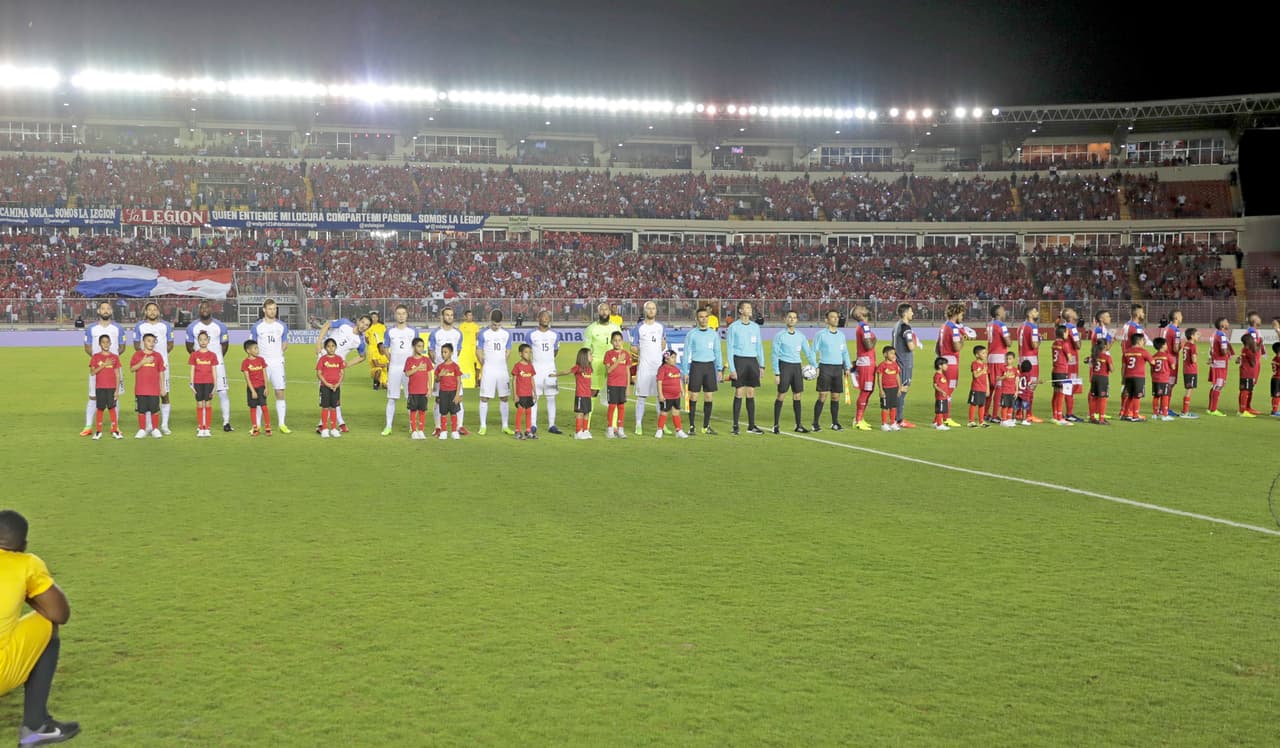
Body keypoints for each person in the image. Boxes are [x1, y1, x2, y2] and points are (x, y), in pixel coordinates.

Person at [0, 510, 79, 746]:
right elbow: (59, 613)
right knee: (47, 624)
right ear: (23, 545)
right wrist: (28, 593)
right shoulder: (26, 564)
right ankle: (36, 726)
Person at [314, 315, 371, 434]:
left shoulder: (360, 341)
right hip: (324, 359)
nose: (363, 326)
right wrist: (319, 342)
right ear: (358, 320)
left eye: (366, 325)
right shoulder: (344, 323)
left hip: (336, 366)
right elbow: (328, 324)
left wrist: (347, 364)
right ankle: (337, 423)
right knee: (326, 392)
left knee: (332, 393)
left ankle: (328, 424)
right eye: (363, 322)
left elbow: (362, 357)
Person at [187, 300, 234, 433]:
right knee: (202, 396)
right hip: (201, 368)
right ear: (199, 310)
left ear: (211, 309)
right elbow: (189, 345)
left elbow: (225, 345)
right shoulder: (192, 327)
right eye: (202, 308)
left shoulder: (220, 326)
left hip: (217, 365)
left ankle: (226, 422)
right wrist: (200, 359)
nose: (205, 310)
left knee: (223, 393)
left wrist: (216, 359)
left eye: (207, 307)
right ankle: (202, 425)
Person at [80, 301, 125, 437]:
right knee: (93, 396)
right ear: (98, 311)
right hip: (97, 369)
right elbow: (87, 347)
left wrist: (112, 360)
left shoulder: (118, 329)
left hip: (114, 369)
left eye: (108, 308)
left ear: (111, 311)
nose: (105, 311)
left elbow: (122, 347)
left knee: (115, 397)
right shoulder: (91, 329)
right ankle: (88, 426)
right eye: (103, 308)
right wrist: (98, 360)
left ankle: (115, 426)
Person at [132, 301, 174, 434]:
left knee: (164, 394)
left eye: (154, 309)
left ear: (158, 312)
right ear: (145, 312)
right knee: (147, 395)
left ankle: (165, 425)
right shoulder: (139, 326)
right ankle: (149, 425)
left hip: (162, 367)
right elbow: (136, 346)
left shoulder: (166, 326)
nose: (152, 312)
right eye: (149, 309)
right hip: (145, 367)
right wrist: (145, 360)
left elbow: (170, 344)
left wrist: (158, 359)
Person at [250, 299, 291, 433]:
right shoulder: (257, 327)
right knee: (260, 394)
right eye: (270, 309)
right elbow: (252, 345)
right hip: (262, 364)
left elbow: (285, 343)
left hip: (277, 363)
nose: (272, 311)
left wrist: (279, 352)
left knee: (279, 392)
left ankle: (282, 424)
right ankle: (257, 426)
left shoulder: (282, 326)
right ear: (264, 310)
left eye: (274, 309)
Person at [725, 301, 765, 435]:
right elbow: (729, 349)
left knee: (751, 392)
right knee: (739, 392)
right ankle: (735, 426)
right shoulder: (733, 327)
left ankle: (751, 426)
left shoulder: (755, 327)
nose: (750, 309)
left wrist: (762, 365)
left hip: (752, 361)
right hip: (739, 360)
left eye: (750, 307)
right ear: (741, 311)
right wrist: (732, 368)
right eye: (747, 307)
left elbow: (759, 346)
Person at [772, 310, 815, 434]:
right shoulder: (780, 335)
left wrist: (815, 365)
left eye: (794, 317)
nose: (792, 319)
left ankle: (798, 425)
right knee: (781, 395)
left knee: (797, 395)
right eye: (789, 317)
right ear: (785, 319)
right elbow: (774, 354)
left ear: (797, 320)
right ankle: (775, 425)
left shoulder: (801, 336)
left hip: (797, 367)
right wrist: (777, 373)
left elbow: (808, 352)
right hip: (784, 366)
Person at [681, 308, 723, 435]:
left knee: (709, 396)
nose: (704, 319)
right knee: (693, 396)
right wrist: (685, 371)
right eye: (701, 317)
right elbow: (686, 352)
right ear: (697, 319)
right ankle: (692, 426)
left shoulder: (713, 334)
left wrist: (720, 368)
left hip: (709, 366)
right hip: (696, 366)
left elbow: (718, 352)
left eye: (706, 317)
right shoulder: (691, 334)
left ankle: (706, 426)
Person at [378, 305, 418, 436]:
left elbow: (417, 349)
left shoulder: (413, 331)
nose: (401, 316)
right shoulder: (390, 332)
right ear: (395, 315)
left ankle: (413, 426)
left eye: (403, 313)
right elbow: (385, 348)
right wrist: (392, 359)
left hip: (409, 370)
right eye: (399, 313)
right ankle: (388, 426)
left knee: (410, 398)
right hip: (394, 368)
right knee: (391, 398)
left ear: (407, 315)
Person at [429, 307, 469, 435]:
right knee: (438, 399)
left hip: (453, 372)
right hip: (440, 372)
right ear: (442, 316)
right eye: (447, 315)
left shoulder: (458, 334)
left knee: (458, 397)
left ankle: (459, 426)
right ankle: (438, 427)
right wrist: (439, 365)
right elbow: (431, 351)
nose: (449, 317)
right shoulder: (435, 333)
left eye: (451, 315)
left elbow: (458, 350)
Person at [476, 309, 513, 436]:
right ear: (490, 321)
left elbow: (508, 350)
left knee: (504, 397)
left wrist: (502, 362)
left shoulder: (507, 334)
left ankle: (505, 426)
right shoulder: (483, 333)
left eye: (498, 325)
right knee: (484, 397)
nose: (496, 327)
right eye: (494, 325)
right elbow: (479, 350)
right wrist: (484, 364)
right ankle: (483, 426)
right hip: (488, 369)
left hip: (502, 370)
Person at [632, 301, 667, 435]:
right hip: (644, 368)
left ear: (656, 311)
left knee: (660, 397)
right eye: (649, 309)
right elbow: (633, 346)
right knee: (642, 397)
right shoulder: (639, 328)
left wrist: (656, 351)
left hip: (658, 368)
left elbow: (663, 344)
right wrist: (643, 353)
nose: (651, 311)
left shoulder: (660, 327)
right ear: (645, 310)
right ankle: (638, 425)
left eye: (653, 309)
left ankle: (661, 426)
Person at [528, 310, 562, 435]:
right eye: (543, 317)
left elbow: (555, 351)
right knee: (534, 397)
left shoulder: (555, 334)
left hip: (550, 369)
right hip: (536, 369)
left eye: (547, 317)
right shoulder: (531, 334)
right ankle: (533, 425)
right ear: (538, 318)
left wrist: (548, 361)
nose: (545, 319)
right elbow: (527, 350)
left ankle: (551, 425)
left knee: (551, 397)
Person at [935, 303, 969, 428]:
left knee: (943, 389)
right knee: (949, 390)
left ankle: (937, 418)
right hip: (952, 362)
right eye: (961, 314)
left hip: (943, 359)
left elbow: (937, 346)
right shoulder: (954, 328)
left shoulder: (943, 326)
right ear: (956, 314)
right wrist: (962, 339)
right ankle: (947, 418)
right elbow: (956, 347)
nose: (962, 316)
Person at [585, 302, 622, 408]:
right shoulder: (591, 328)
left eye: (606, 309)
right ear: (598, 312)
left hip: (613, 364)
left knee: (613, 395)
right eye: (602, 310)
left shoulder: (615, 327)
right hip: (596, 364)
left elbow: (620, 347)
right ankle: (587, 423)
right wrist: (588, 364)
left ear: (609, 312)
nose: (604, 312)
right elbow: (586, 349)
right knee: (593, 392)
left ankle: (613, 424)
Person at [129, 333, 166, 439]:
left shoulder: (158, 356)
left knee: (155, 409)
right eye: (148, 341)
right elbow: (132, 369)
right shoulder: (137, 355)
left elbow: (161, 372)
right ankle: (142, 429)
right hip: (141, 389)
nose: (151, 343)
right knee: (141, 410)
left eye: (153, 341)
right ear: (143, 342)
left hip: (154, 389)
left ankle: (155, 429)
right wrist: (143, 362)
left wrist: (162, 388)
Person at [890, 303, 920, 429]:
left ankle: (894, 418)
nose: (912, 313)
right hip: (904, 364)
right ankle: (898, 419)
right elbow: (911, 346)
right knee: (902, 391)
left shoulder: (896, 325)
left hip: (898, 361)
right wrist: (915, 342)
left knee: (899, 390)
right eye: (911, 311)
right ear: (905, 313)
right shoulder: (906, 327)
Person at [88, 334, 122, 440]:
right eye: (103, 342)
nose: (105, 344)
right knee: (100, 408)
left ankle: (115, 430)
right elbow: (93, 372)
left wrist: (117, 390)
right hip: (100, 387)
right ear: (99, 344)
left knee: (112, 408)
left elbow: (117, 374)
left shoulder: (115, 357)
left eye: (107, 342)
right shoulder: (96, 357)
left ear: (110, 343)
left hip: (112, 388)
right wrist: (104, 364)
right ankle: (98, 431)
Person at [849, 304, 877, 431]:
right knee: (866, 390)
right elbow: (869, 345)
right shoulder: (864, 326)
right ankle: (858, 420)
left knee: (868, 390)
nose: (865, 308)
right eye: (861, 308)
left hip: (866, 362)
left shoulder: (861, 327)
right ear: (859, 314)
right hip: (866, 363)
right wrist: (875, 339)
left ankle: (860, 418)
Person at [188, 330, 220, 437]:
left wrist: (215, 384)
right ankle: (201, 427)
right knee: (199, 403)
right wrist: (191, 383)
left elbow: (214, 370)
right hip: (198, 383)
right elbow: (192, 369)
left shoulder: (212, 355)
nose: (203, 341)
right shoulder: (194, 355)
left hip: (209, 382)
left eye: (205, 339)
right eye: (200, 339)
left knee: (208, 403)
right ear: (198, 341)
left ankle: (207, 427)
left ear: (208, 340)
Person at [558, 348, 594, 439]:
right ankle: (578, 432)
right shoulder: (578, 367)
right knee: (580, 413)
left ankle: (585, 430)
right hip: (580, 395)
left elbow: (589, 381)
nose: (592, 356)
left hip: (587, 395)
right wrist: (556, 374)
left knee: (587, 413)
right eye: (590, 355)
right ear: (584, 357)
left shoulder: (589, 368)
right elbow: (567, 371)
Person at [403, 337, 435, 440]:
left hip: (423, 391)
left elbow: (430, 374)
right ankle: (413, 431)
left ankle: (421, 430)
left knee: (422, 411)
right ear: (413, 347)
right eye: (418, 346)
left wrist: (430, 388)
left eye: (422, 346)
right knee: (413, 411)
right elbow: (407, 373)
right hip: (413, 390)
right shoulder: (409, 360)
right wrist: (417, 368)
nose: (421, 348)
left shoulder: (426, 359)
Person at [985, 304, 1012, 422]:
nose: (1005, 312)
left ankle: (985, 413)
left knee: (990, 388)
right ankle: (995, 415)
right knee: (999, 388)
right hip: (1000, 358)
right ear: (998, 314)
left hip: (990, 358)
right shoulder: (1002, 325)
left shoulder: (990, 325)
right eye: (1003, 310)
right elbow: (1008, 342)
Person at [1017, 307, 1044, 423]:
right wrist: (1040, 339)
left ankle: (1018, 412)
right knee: (1030, 387)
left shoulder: (1020, 326)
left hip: (1021, 358)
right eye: (1034, 311)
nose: (1037, 313)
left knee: (1022, 386)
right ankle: (1028, 414)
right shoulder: (1033, 327)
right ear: (1029, 314)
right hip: (1031, 360)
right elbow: (1034, 345)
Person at [315, 337, 346, 438]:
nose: (331, 348)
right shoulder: (323, 359)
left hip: (336, 387)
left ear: (336, 347)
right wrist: (327, 384)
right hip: (325, 387)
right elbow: (319, 373)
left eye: (333, 346)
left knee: (334, 407)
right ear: (325, 348)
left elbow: (342, 373)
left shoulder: (339, 359)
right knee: (325, 407)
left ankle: (333, 428)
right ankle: (324, 429)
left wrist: (338, 384)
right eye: (328, 346)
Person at [240, 339, 271, 436]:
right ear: (248, 351)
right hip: (252, 389)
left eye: (257, 348)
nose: (258, 350)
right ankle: (255, 428)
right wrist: (252, 391)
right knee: (253, 408)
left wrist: (266, 387)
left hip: (261, 387)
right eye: (255, 348)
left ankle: (268, 427)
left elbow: (265, 374)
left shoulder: (261, 360)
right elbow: (247, 378)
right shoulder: (245, 362)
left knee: (264, 407)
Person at [1120, 332, 1153, 422]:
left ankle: (1125, 414)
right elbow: (1153, 362)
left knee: (1129, 396)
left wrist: (1123, 378)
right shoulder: (1143, 351)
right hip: (1139, 377)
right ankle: (1135, 415)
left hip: (1128, 376)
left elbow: (1123, 367)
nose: (1144, 342)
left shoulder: (1126, 352)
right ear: (1139, 342)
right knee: (1137, 396)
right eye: (1143, 340)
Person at [654, 350, 688, 438]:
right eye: (672, 357)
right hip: (666, 396)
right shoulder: (662, 369)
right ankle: (659, 429)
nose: (674, 359)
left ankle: (678, 430)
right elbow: (659, 382)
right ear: (666, 359)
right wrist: (660, 394)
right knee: (664, 412)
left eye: (675, 357)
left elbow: (679, 380)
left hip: (676, 396)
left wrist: (682, 390)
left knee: (676, 412)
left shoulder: (676, 369)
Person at [604, 331, 631, 438]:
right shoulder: (609, 354)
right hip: (612, 384)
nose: (617, 343)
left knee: (621, 407)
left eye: (619, 340)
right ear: (611, 342)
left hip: (623, 385)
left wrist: (628, 386)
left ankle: (620, 429)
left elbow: (628, 371)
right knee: (611, 406)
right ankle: (610, 429)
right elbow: (609, 371)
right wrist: (619, 360)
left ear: (622, 341)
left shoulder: (626, 354)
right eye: (615, 340)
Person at [1060, 307, 1084, 422]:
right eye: (1073, 311)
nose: (1076, 312)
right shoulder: (1072, 328)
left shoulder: (1063, 327)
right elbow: (1078, 345)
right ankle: (1069, 413)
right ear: (1070, 316)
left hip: (1064, 360)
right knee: (1070, 386)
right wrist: (1080, 337)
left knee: (1066, 385)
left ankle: (1062, 412)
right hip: (1072, 361)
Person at [434, 343, 463, 440]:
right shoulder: (440, 367)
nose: (443, 354)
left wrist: (457, 394)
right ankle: (443, 431)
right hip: (443, 392)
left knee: (454, 412)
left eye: (445, 352)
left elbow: (459, 381)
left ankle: (454, 431)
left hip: (453, 392)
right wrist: (440, 375)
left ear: (451, 353)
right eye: (442, 352)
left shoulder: (455, 366)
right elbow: (436, 380)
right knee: (443, 412)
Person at [1206, 317, 1233, 417]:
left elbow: (1211, 349)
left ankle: (1210, 408)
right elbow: (1223, 350)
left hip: (1215, 362)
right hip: (1220, 363)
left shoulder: (1214, 333)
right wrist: (1228, 353)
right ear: (1222, 325)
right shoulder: (1221, 335)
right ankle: (1213, 410)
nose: (1228, 323)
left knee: (1214, 385)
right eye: (1226, 322)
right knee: (1219, 385)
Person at [511, 343, 537, 440]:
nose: (528, 354)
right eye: (526, 352)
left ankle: (528, 431)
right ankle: (517, 431)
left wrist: (534, 392)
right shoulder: (517, 366)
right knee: (520, 411)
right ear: (520, 354)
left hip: (528, 393)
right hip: (520, 393)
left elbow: (532, 379)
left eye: (530, 352)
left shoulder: (530, 366)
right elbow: (513, 380)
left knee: (529, 412)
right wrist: (515, 394)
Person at [1049, 325, 1073, 426]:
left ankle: (1055, 415)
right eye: (1067, 332)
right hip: (1062, 371)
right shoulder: (1065, 344)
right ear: (1063, 333)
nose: (1068, 334)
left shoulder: (1054, 343)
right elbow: (1070, 358)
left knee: (1055, 393)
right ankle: (1059, 417)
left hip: (1055, 371)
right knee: (1061, 394)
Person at [1162, 309, 1184, 417]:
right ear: (1176, 318)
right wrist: (1181, 345)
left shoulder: (1166, 328)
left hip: (1164, 358)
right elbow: (1175, 349)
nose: (1182, 317)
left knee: (1166, 382)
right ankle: (1165, 408)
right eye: (1180, 315)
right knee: (1170, 384)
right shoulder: (1176, 331)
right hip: (1172, 360)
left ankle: (1162, 407)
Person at [1088, 337, 1113, 425]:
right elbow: (1111, 369)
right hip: (1103, 378)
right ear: (1105, 346)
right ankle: (1101, 419)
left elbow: (1090, 366)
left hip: (1094, 377)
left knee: (1093, 397)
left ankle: (1092, 417)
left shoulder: (1093, 355)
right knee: (1102, 398)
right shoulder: (1107, 356)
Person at [875, 346, 901, 431]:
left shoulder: (895, 365)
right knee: (885, 407)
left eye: (894, 353)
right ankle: (884, 424)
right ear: (885, 354)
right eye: (891, 353)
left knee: (893, 406)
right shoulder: (882, 365)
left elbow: (897, 376)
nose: (893, 355)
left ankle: (893, 423)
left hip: (894, 388)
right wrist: (881, 390)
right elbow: (879, 378)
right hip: (886, 389)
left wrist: (899, 388)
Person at [457, 309, 482, 397]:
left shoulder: (475, 326)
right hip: (465, 350)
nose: (470, 317)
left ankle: (477, 381)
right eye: (469, 315)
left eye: (471, 315)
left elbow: (477, 336)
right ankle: (465, 382)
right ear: (465, 316)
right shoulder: (461, 326)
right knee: (465, 366)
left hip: (474, 348)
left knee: (478, 365)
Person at [1150, 337, 1176, 421]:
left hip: (1155, 379)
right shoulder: (1168, 356)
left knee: (1156, 396)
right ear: (1162, 346)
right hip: (1164, 379)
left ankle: (1155, 414)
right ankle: (1164, 415)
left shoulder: (1153, 356)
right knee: (1165, 396)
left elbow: (1152, 368)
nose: (1166, 345)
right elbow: (1173, 367)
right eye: (1165, 344)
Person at [1237, 333, 1261, 417]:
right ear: (1249, 341)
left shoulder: (1243, 349)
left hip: (1244, 373)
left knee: (1245, 390)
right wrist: (1254, 355)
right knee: (1245, 391)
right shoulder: (1249, 351)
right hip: (1248, 373)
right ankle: (1243, 411)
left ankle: (1244, 409)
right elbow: (1253, 364)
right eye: (1252, 339)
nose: (1253, 341)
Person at [1180, 327, 1201, 418]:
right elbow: (1194, 360)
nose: (1198, 336)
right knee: (1189, 390)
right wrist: (1196, 356)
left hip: (1186, 370)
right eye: (1197, 334)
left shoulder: (1186, 344)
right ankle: (1185, 412)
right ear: (1192, 336)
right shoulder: (1193, 346)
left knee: (1189, 389)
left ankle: (1185, 411)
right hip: (1191, 370)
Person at [967, 345, 990, 428]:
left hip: (983, 388)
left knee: (982, 404)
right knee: (973, 404)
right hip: (976, 388)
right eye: (983, 353)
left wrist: (987, 388)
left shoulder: (985, 365)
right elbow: (975, 375)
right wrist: (983, 371)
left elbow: (986, 376)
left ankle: (981, 421)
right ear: (977, 355)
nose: (985, 354)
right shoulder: (975, 364)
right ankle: (971, 421)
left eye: (985, 353)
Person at [365, 310, 388, 390]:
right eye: (372, 317)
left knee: (384, 364)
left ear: (378, 318)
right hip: (373, 349)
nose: (374, 319)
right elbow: (366, 339)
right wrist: (371, 344)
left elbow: (386, 335)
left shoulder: (382, 326)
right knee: (375, 364)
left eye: (375, 317)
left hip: (381, 347)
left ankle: (385, 380)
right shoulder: (368, 327)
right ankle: (376, 380)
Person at [932, 357, 953, 431]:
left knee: (942, 410)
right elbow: (935, 386)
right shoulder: (937, 375)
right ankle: (939, 425)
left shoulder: (942, 375)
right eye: (945, 364)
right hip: (940, 397)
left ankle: (935, 422)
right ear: (940, 366)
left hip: (944, 396)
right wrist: (942, 392)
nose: (947, 366)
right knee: (940, 411)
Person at [998, 352, 1019, 426]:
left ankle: (1009, 419)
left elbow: (1016, 381)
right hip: (1005, 391)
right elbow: (998, 378)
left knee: (1011, 406)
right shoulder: (1002, 368)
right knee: (1005, 406)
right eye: (1006, 359)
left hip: (1012, 391)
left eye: (1009, 359)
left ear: (1013, 359)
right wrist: (1004, 376)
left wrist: (1016, 391)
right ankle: (1003, 420)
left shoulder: (1015, 370)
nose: (1008, 360)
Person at [1014, 360, 1036, 426]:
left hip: (1019, 393)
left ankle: (1013, 419)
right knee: (1024, 407)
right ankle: (1024, 420)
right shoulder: (1028, 375)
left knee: (1015, 407)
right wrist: (1038, 382)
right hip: (1025, 394)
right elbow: (1029, 383)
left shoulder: (1020, 374)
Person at [1270, 341, 1280, 416]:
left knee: (1275, 395)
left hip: (1274, 378)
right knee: (1277, 395)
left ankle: (1274, 410)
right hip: (1278, 379)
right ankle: (1274, 411)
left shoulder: (1274, 358)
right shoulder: (1279, 358)